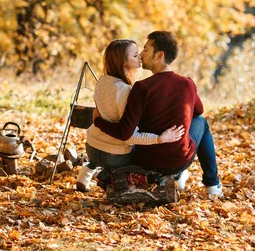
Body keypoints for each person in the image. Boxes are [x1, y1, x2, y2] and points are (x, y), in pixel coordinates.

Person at [93, 31, 223, 197]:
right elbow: (198, 111)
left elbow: (125, 131)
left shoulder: (141, 88)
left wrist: (98, 121)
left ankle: (179, 176)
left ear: (159, 55)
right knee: (201, 121)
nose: (141, 54)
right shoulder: (187, 84)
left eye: (146, 50)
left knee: (199, 120)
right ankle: (212, 184)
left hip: (145, 161)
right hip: (178, 160)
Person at [76, 39, 185, 192]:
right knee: (142, 155)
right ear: (123, 62)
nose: (140, 56)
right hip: (113, 155)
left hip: (92, 147)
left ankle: (86, 173)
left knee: (100, 154)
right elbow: (128, 135)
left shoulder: (101, 81)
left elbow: (98, 113)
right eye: (135, 55)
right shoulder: (126, 91)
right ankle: (109, 174)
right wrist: (159, 139)